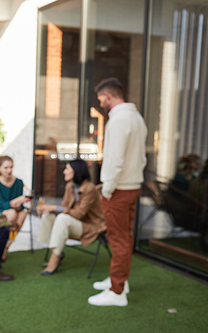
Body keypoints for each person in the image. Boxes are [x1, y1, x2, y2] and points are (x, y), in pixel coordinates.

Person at [88, 78, 147, 307]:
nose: (101, 103)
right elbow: (141, 158)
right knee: (125, 237)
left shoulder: (119, 120)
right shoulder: (136, 118)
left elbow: (114, 159)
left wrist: (108, 189)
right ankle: (120, 280)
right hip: (132, 186)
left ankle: (117, 291)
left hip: (119, 190)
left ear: (109, 96)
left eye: (101, 98)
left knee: (119, 239)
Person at [36, 160, 106, 275]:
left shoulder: (90, 188)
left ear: (76, 171)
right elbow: (64, 207)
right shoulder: (70, 186)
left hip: (90, 226)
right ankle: (57, 250)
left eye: (67, 169)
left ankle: (54, 259)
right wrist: (50, 209)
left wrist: (55, 207)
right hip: (74, 223)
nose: (64, 172)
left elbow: (79, 214)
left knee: (62, 218)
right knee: (47, 216)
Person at [0, 155, 31, 260]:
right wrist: (16, 202)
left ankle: (6, 246)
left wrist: (18, 205)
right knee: (12, 213)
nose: (9, 170)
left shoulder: (18, 182)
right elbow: (0, 203)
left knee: (22, 213)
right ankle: (2, 246)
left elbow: (20, 206)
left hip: (13, 210)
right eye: (6, 168)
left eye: (11, 167)